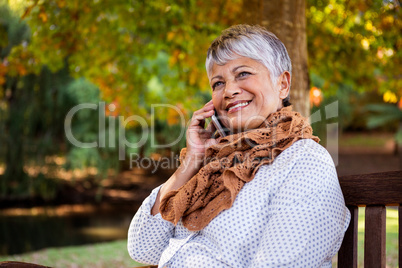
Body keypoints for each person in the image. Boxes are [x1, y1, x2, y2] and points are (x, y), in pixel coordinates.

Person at [128, 24, 350, 268]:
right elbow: (142, 248)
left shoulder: (305, 162)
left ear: (283, 84)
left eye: (243, 73)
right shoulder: (212, 166)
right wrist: (191, 162)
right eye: (218, 83)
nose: (230, 90)